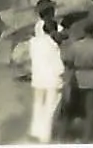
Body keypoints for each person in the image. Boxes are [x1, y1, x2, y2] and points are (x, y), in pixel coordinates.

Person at [60, 12, 93, 141]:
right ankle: (86, 139)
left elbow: (68, 63)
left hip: (77, 79)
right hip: (92, 80)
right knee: (90, 112)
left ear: (84, 31)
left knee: (70, 110)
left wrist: (67, 80)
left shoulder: (75, 46)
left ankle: (62, 136)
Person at [26, 9, 67, 144]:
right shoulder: (54, 43)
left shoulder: (34, 42)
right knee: (51, 106)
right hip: (52, 78)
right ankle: (45, 136)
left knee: (38, 104)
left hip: (38, 77)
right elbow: (62, 36)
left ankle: (35, 131)